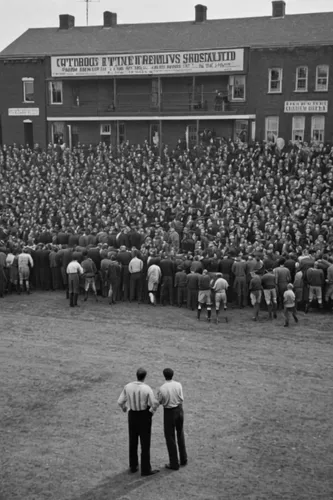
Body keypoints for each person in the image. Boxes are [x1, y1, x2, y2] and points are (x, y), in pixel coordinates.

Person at [117, 368, 159, 477]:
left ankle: (133, 466)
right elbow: (154, 404)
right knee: (145, 443)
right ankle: (145, 469)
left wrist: (124, 408)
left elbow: (120, 401)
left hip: (132, 415)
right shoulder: (147, 388)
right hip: (144, 416)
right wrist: (151, 413)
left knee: (133, 440)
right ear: (144, 377)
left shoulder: (128, 386)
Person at [157, 368, 187, 471]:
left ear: (164, 375)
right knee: (180, 433)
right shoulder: (178, 384)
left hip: (169, 412)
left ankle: (174, 463)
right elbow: (181, 397)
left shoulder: (162, 388)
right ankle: (184, 458)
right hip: (179, 410)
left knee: (170, 437)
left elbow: (160, 401)